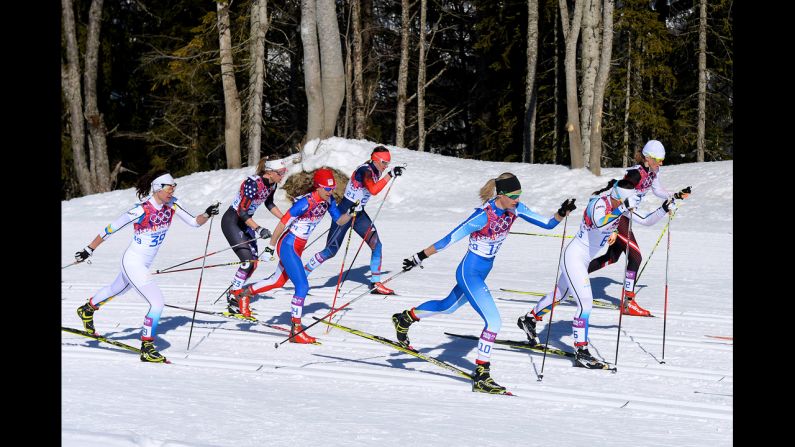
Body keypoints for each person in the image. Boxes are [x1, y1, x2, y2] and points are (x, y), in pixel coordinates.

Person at [394, 173, 576, 394]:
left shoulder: (515, 209)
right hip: (469, 272)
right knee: (494, 322)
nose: (518, 200)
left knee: (448, 306)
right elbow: (449, 239)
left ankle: (405, 318)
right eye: (513, 196)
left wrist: (561, 213)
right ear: (501, 195)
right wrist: (419, 257)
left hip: (483, 271)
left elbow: (547, 224)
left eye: (520, 195)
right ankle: (482, 375)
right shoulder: (482, 216)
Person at [517, 179, 676, 368]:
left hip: (583, 259)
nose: (629, 206)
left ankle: (529, 319)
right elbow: (600, 223)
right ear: (618, 197)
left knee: (561, 294)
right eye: (627, 202)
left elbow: (646, 220)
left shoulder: (621, 206)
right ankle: (581, 351)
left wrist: (664, 208)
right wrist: (621, 209)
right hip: (574, 256)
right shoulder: (598, 204)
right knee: (585, 304)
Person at [74, 171, 220, 363]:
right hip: (132, 262)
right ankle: (147, 347)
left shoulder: (172, 204)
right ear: (158, 189)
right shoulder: (141, 210)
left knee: (115, 289)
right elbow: (110, 229)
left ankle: (87, 309)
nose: (172, 191)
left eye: (173, 188)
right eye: (169, 188)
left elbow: (194, 222)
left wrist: (207, 214)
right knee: (157, 303)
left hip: (143, 263)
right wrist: (88, 249)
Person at [232, 168, 355, 343]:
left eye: (332, 188)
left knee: (278, 281)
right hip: (288, 245)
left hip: (298, 246)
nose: (331, 192)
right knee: (302, 286)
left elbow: (339, 220)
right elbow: (282, 224)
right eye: (327, 189)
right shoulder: (304, 203)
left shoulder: (329, 201)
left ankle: (244, 293)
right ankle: (296, 330)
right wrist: (270, 248)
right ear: (318, 187)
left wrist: (351, 213)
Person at [587, 140, 691, 316]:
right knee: (635, 257)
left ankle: (576, 273)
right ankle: (628, 303)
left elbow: (658, 191)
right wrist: (664, 208)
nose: (661, 163)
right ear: (647, 158)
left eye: (662, 159)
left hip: (625, 215)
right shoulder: (635, 175)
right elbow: (645, 220)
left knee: (612, 257)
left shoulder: (653, 171)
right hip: (615, 216)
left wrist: (674, 195)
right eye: (658, 159)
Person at [302, 146, 404, 295]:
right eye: (383, 162)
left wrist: (389, 173)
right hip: (345, 212)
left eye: (388, 163)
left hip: (359, 213)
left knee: (377, 245)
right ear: (375, 159)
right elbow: (374, 190)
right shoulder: (365, 171)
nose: (385, 166)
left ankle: (376, 283)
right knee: (330, 251)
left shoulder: (375, 169)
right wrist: (390, 174)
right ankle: (302, 277)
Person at [221, 158, 287, 317]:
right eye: (280, 173)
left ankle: (235, 291)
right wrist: (258, 228)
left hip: (246, 222)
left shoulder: (272, 183)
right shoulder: (253, 184)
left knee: (253, 263)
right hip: (233, 221)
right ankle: (234, 296)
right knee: (246, 262)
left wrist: (286, 218)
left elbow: (269, 203)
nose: (282, 176)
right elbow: (241, 212)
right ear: (270, 172)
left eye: (284, 173)